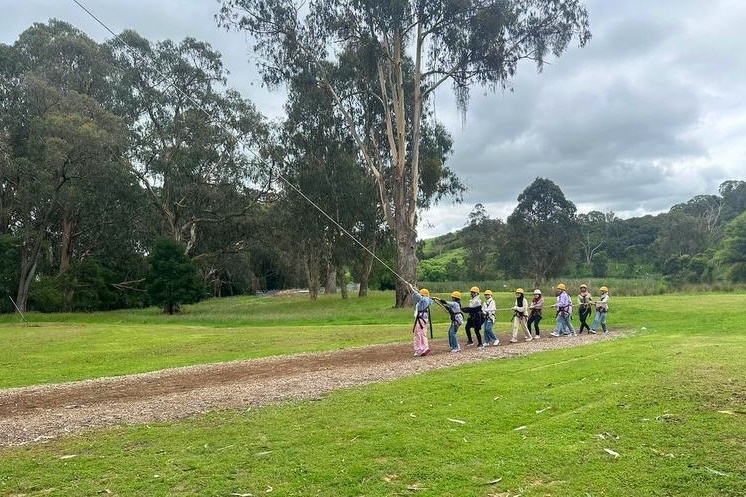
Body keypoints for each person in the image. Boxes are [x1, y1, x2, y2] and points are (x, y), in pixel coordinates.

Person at [409, 284, 432, 357]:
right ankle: (425, 348)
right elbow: (417, 296)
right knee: (422, 333)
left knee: (418, 334)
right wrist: (416, 289)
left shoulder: (424, 300)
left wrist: (411, 288)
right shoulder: (428, 300)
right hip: (423, 319)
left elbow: (417, 296)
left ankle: (419, 349)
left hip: (420, 319)